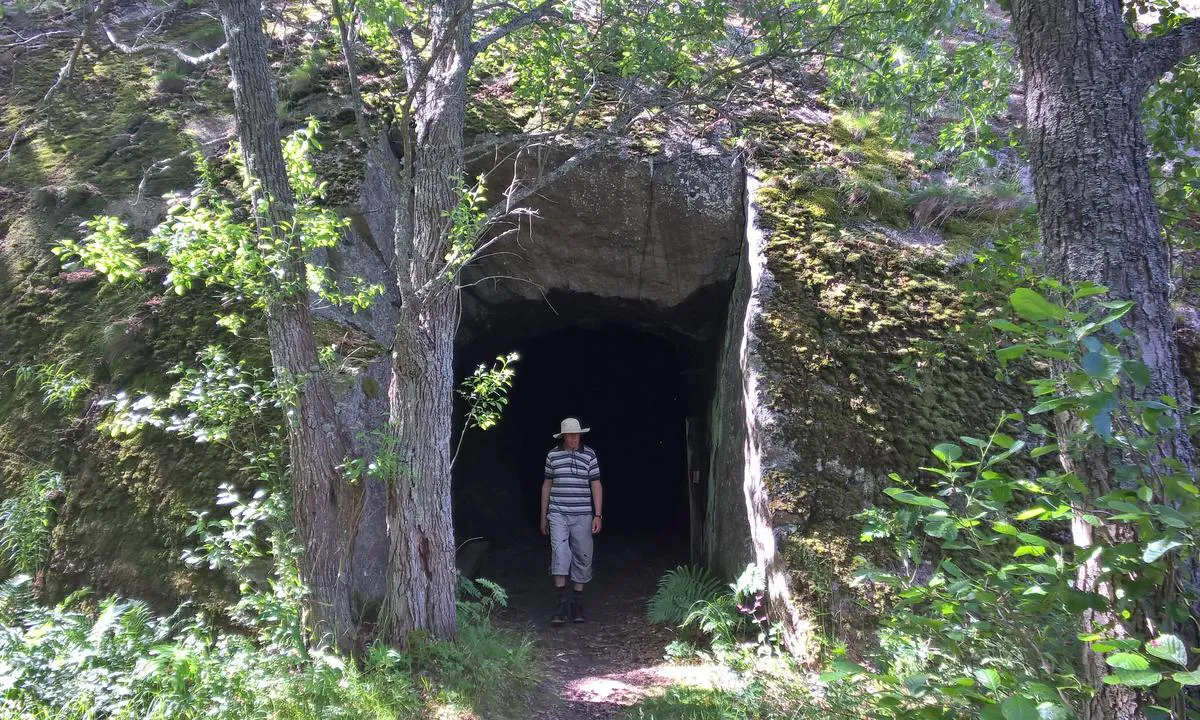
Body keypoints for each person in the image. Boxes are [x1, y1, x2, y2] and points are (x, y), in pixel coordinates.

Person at [540, 417, 603, 625]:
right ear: (564, 437)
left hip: (583, 513)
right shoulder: (553, 455)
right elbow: (547, 485)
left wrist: (598, 514)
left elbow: (596, 484)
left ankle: (577, 602)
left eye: (577, 435)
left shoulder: (589, 455)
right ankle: (561, 603)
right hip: (558, 512)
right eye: (570, 435)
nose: (574, 438)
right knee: (560, 552)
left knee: (583, 555)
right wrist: (544, 517)